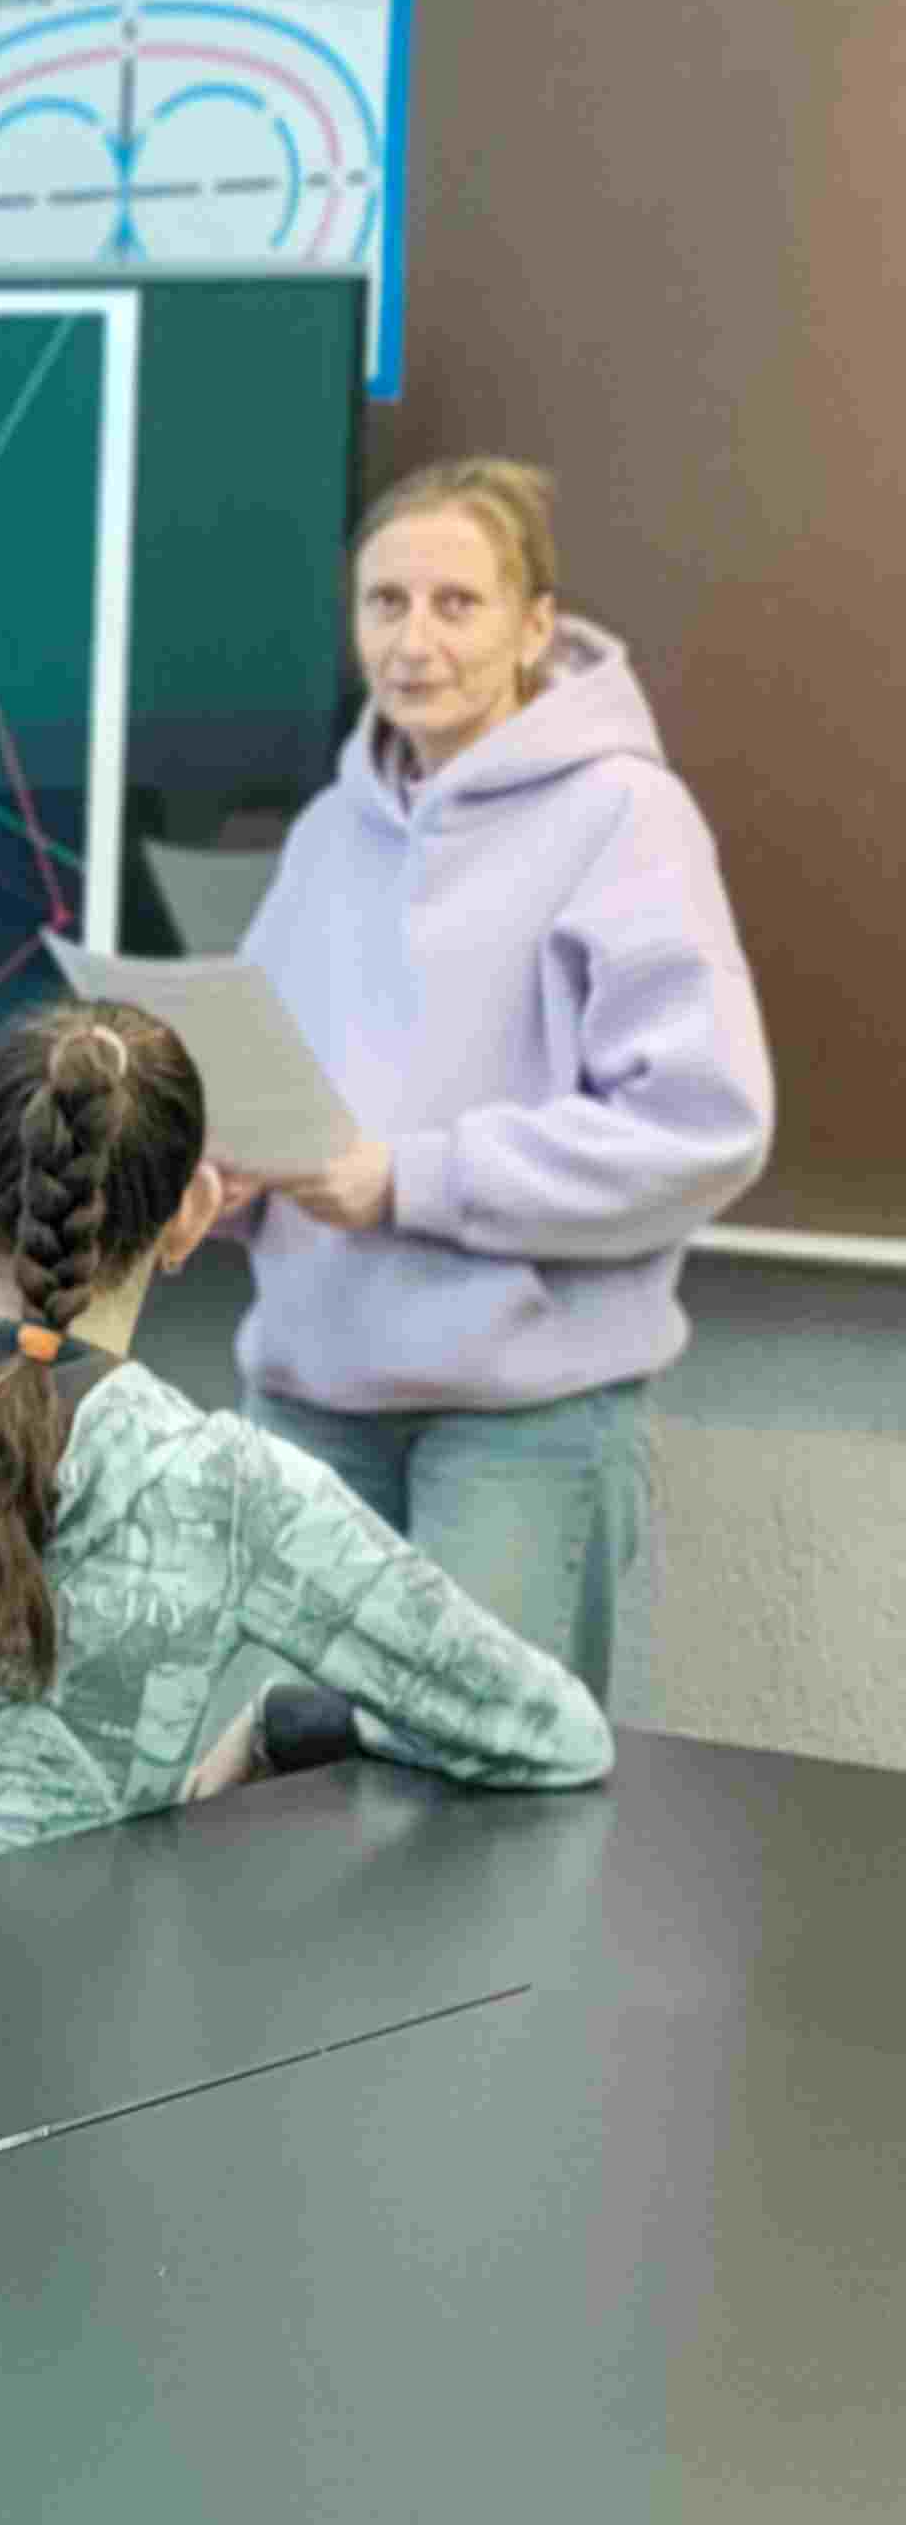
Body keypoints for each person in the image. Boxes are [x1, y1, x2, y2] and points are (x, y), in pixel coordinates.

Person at [0, 999, 612, 1862]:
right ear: (192, 1216)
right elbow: (554, 1733)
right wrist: (289, 1723)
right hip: (51, 1980)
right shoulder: (228, 1488)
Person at [224, 457, 773, 1698]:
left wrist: (408, 1181)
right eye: (385, 603)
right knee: (272, 1789)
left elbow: (699, 1128)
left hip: (519, 1429)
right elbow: (271, 1085)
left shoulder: (625, 817)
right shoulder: (328, 834)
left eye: (457, 604)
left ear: (535, 628)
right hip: (307, 1404)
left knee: (471, 1797)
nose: (414, 642)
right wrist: (226, 1172)